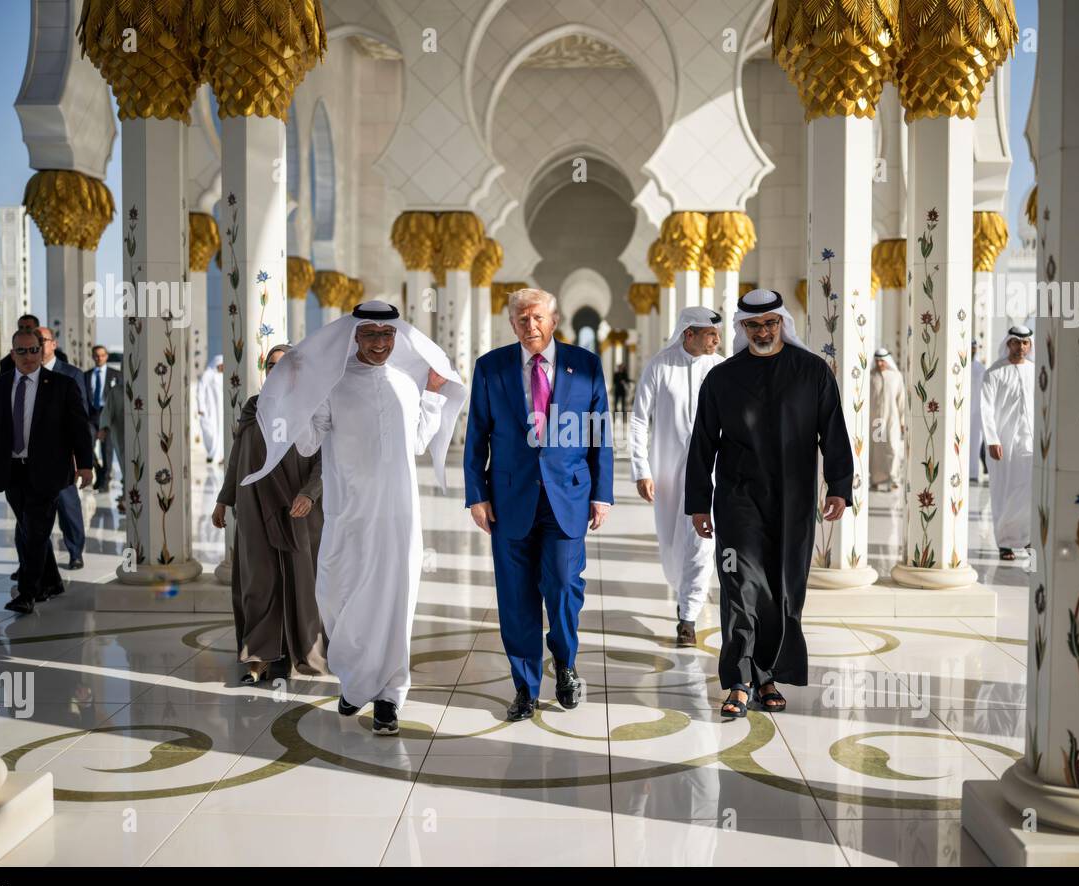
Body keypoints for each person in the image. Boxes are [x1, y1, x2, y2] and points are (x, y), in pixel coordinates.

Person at [243, 301, 464, 734]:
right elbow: (307, 444)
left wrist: (435, 392)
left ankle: (388, 695)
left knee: (395, 600)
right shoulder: (335, 383)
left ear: (396, 337)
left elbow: (419, 441)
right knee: (338, 594)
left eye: (386, 336)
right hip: (348, 514)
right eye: (370, 336)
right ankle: (354, 680)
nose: (380, 344)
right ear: (355, 337)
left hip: (398, 516)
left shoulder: (405, 382)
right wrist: (296, 392)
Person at [684, 288, 852, 719]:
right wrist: (699, 503)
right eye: (754, 325)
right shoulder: (722, 378)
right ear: (742, 328)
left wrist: (838, 485)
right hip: (739, 499)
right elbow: (703, 442)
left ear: (782, 324)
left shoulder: (812, 372)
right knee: (740, 586)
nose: (763, 331)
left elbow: (832, 431)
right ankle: (739, 680)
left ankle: (767, 675)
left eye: (770, 323)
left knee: (782, 587)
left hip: (793, 501)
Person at [464, 287, 615, 721]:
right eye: (521, 319)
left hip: (567, 494)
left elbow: (598, 433)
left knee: (564, 585)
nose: (530, 326)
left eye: (537, 318)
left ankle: (565, 665)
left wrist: (602, 493)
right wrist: (477, 495)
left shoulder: (585, 365)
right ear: (511, 324)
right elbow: (477, 434)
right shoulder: (491, 368)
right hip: (510, 498)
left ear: (553, 320)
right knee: (515, 597)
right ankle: (525, 687)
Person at [214, 345, 328, 683]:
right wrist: (224, 499)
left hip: (298, 508)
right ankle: (259, 656)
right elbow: (238, 457)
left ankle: (304, 650)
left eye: (286, 365)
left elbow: (326, 460)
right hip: (253, 508)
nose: (278, 371)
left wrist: (309, 493)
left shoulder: (312, 408)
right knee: (259, 582)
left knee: (301, 581)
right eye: (271, 365)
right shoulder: (253, 409)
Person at [0, 329, 94, 614]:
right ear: (12, 352)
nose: (28, 357)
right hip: (11, 471)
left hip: (48, 471)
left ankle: (28, 593)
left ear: (42, 350)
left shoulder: (62, 385)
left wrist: (86, 464)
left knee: (36, 530)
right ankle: (52, 581)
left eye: (33, 350)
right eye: (22, 351)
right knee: (29, 529)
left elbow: (79, 428)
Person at [629, 306, 725, 646]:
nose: (717, 339)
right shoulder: (660, 365)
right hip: (668, 469)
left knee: (702, 541)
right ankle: (683, 590)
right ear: (689, 333)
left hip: (711, 469)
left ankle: (688, 617)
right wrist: (641, 469)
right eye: (710, 334)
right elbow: (640, 419)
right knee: (671, 541)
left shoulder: (720, 367)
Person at [980, 325, 1035, 560]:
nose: (1020, 347)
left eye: (1025, 343)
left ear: (1029, 346)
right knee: (1003, 489)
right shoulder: (994, 372)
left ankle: (1026, 537)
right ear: (1008, 344)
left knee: (1028, 491)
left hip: (1029, 442)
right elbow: (986, 408)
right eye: (1016, 342)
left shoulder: (1035, 371)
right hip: (1002, 443)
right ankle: (1004, 542)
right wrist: (991, 439)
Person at [37, 327, 89, 571]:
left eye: (42, 340)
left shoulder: (71, 374)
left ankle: (75, 551)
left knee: (68, 508)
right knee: (32, 515)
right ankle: (33, 560)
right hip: (31, 459)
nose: (38, 345)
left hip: (63, 456)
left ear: (53, 344)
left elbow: (81, 419)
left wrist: (82, 460)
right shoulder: (25, 373)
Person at [868, 347, 906, 490]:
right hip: (876, 421)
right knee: (877, 449)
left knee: (893, 448)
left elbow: (901, 400)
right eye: (877, 361)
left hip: (892, 420)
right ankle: (877, 479)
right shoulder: (871, 376)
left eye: (882, 361)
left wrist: (902, 421)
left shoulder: (896, 376)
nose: (879, 364)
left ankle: (894, 478)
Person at [85, 344, 120, 490]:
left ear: (106, 356)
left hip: (108, 415)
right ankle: (99, 470)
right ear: (93, 357)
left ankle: (104, 481)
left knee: (106, 450)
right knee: (86, 446)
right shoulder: (86, 375)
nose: (99, 358)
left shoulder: (116, 374)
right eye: (96, 355)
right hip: (91, 416)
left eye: (102, 355)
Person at [0, 314, 67, 374]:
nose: (24, 330)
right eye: (21, 327)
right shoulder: (7, 363)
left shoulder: (59, 357)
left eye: (28, 327)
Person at [98, 374, 126, 512]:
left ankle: (127, 497)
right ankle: (127, 497)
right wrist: (103, 428)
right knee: (125, 464)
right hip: (121, 434)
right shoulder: (117, 391)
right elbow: (108, 411)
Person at [198, 355, 224, 463]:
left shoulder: (221, 376)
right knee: (210, 432)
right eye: (222, 365)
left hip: (220, 411)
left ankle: (219, 455)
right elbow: (200, 390)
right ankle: (212, 453)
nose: (223, 367)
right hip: (210, 410)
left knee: (220, 432)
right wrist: (201, 407)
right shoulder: (208, 374)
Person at [969, 340, 987, 482]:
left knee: (975, 444)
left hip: (976, 413)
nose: (972, 350)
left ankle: (973, 474)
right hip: (960, 411)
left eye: (974, 348)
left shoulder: (980, 368)